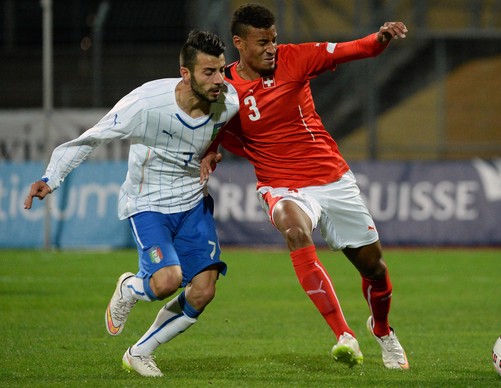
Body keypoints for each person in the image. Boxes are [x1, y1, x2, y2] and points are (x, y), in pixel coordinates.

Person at [202, 4, 409, 369]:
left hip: (331, 178)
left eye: (274, 39)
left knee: (374, 270)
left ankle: (382, 330)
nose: (271, 48)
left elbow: (356, 49)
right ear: (239, 43)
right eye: (262, 42)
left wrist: (380, 38)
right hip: (280, 185)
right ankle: (344, 334)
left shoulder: (295, 58)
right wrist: (211, 152)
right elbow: (213, 126)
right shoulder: (226, 88)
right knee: (296, 232)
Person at [24, 30, 239, 377]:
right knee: (167, 281)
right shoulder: (146, 104)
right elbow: (92, 137)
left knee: (203, 290)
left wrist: (213, 152)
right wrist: (51, 178)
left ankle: (140, 352)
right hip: (149, 204)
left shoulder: (228, 103)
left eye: (221, 71)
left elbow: (223, 133)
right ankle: (129, 287)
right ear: (185, 74)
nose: (219, 81)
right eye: (208, 73)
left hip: (192, 204)